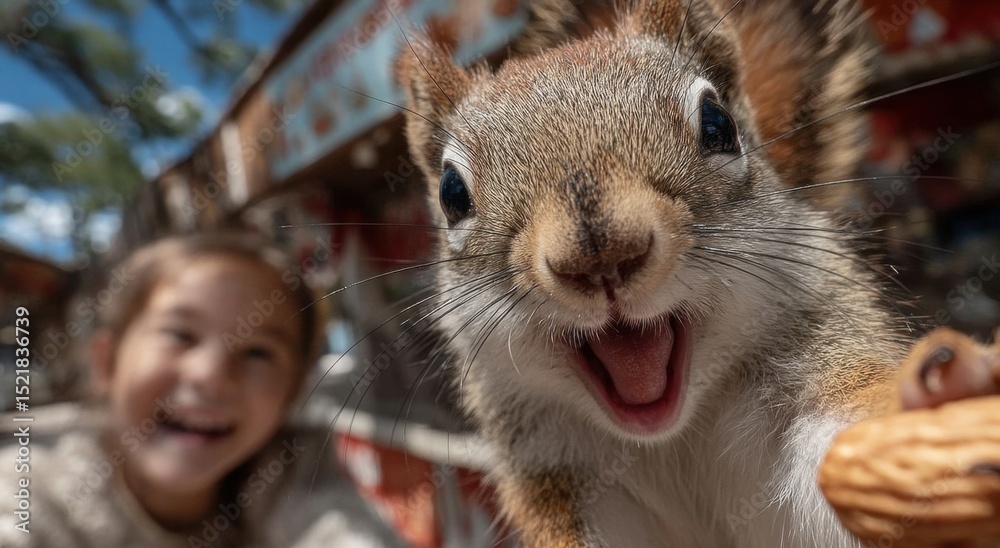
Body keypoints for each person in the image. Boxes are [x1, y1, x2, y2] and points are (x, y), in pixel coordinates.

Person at [0, 231, 405, 547]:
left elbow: (338, 528)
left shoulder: (290, 473)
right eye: (180, 334)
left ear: (292, 392)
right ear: (107, 363)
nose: (211, 375)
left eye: (259, 353)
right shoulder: (32, 491)